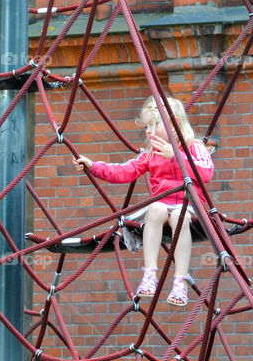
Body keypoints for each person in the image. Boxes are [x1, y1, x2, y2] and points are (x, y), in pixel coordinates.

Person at [75, 95, 214, 305]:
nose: (148, 131)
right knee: (155, 208)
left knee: (179, 215)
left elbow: (206, 173)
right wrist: (93, 167)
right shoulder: (151, 154)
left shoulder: (193, 147)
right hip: (161, 206)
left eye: (152, 125)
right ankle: (150, 274)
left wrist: (176, 157)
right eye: (146, 126)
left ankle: (180, 281)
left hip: (188, 207)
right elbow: (123, 171)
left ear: (173, 125)